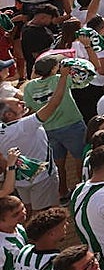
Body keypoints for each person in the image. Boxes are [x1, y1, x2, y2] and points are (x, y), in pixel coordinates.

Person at [0, 60, 69, 211]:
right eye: (17, 104)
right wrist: (63, 76)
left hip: (19, 180)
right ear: (9, 115)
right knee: (47, 213)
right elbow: (54, 103)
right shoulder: (26, 125)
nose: (22, 103)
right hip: (42, 178)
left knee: (27, 209)